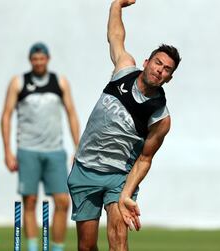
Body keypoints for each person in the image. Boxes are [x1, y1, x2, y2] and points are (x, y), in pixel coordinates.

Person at [67, 0, 182, 250]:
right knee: (86, 247)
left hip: (119, 176)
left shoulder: (160, 117)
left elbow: (144, 159)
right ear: (147, 61)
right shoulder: (123, 70)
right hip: (85, 168)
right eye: (158, 63)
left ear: (170, 79)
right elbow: (115, 36)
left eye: (167, 70)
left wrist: (127, 193)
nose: (160, 70)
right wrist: (116, 6)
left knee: (118, 240)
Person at [1, 42, 80, 251]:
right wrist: (7, 151)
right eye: (35, 59)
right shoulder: (18, 83)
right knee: (30, 201)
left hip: (55, 151)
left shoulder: (59, 82)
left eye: (41, 58)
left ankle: (56, 248)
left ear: (47, 59)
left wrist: (77, 146)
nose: (38, 62)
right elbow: (6, 115)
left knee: (63, 202)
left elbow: (71, 113)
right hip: (28, 150)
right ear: (30, 60)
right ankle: (34, 247)